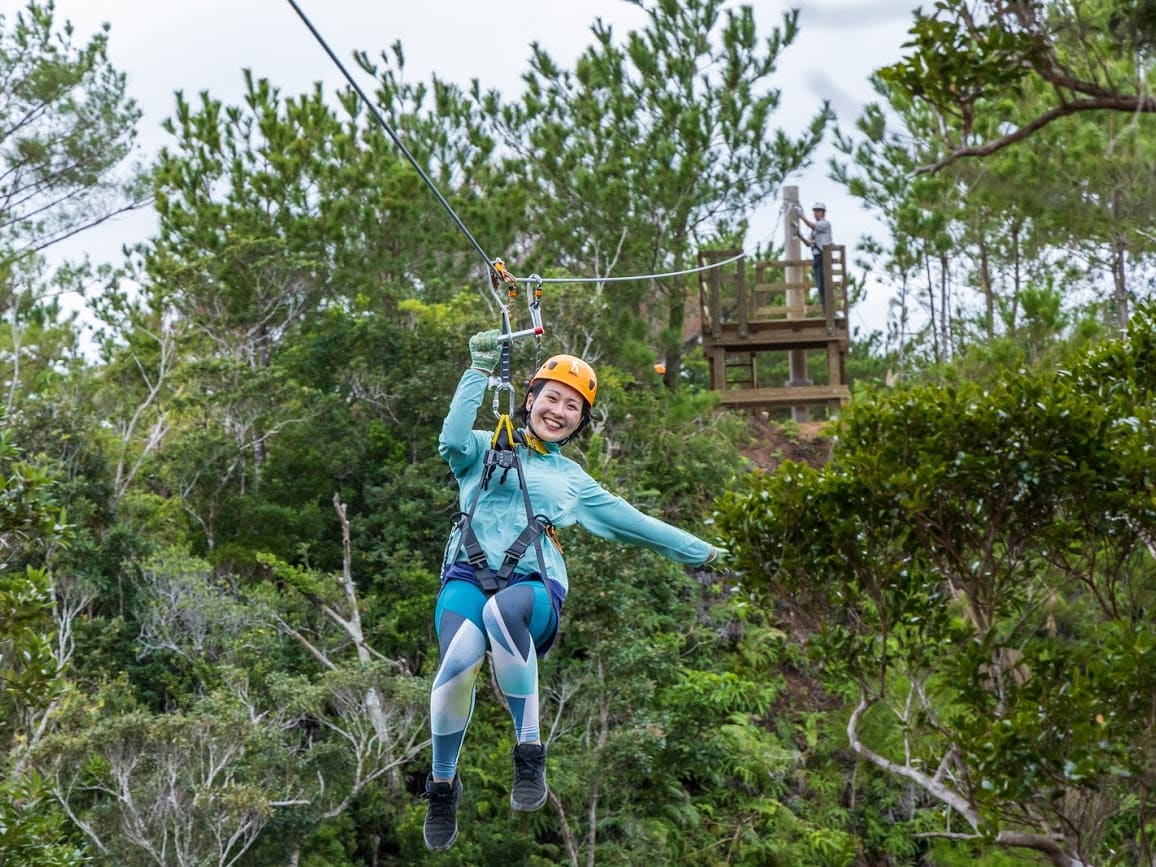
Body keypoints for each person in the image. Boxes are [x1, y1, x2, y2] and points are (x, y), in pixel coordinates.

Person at [422, 330, 728, 852]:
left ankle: (530, 753)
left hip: (532, 584)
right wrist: (475, 372)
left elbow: (639, 525)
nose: (559, 411)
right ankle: (443, 785)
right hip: (466, 576)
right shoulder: (481, 447)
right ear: (531, 399)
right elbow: (451, 439)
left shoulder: (573, 481)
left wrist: (705, 553)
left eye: (572, 407)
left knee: (502, 613)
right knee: (457, 659)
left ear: (580, 424)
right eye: (552, 398)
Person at [798, 201, 833, 308]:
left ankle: (828, 309)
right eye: (815, 211)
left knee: (824, 284)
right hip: (817, 257)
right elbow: (808, 243)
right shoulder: (814, 231)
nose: (816, 213)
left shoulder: (824, 224)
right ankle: (825, 308)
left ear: (823, 213)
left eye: (818, 211)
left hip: (824, 257)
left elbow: (812, 225)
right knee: (819, 284)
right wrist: (799, 235)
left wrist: (802, 217)